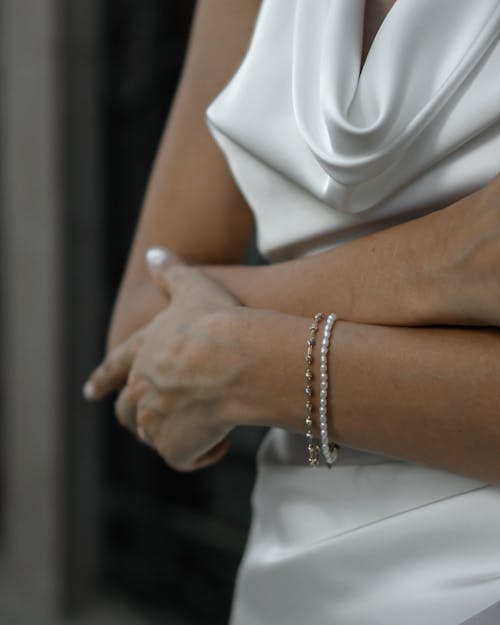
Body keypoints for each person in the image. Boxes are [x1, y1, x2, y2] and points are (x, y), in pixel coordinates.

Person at [84, 0, 500, 622]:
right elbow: (142, 323)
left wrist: (249, 364)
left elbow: (169, 337)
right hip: (293, 579)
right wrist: (432, 265)